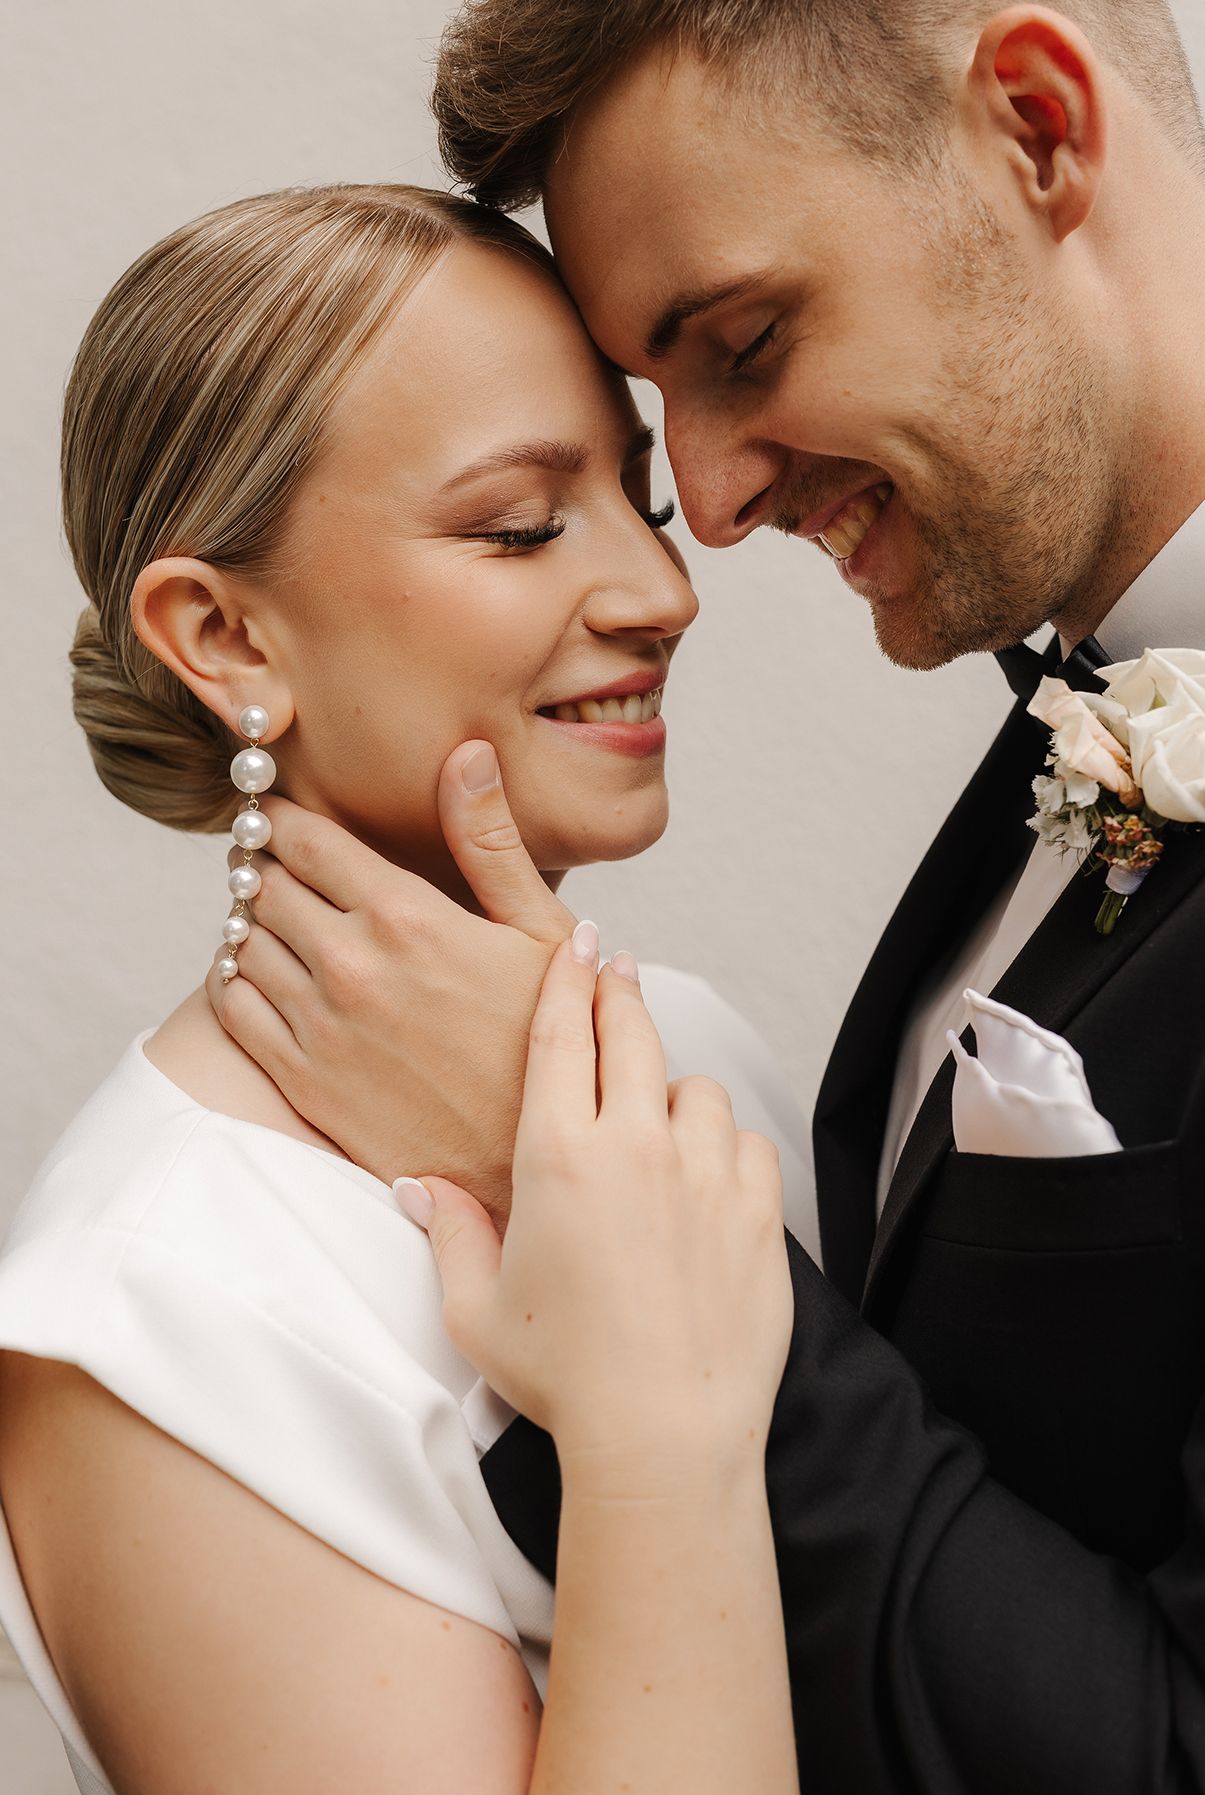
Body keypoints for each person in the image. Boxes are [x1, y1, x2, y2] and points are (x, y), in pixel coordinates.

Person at [198, 2, 1205, 1789]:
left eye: (743, 342)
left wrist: (591, 1211)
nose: (712, 514)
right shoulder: (1079, 707)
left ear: (1040, 129)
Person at [0, 181, 818, 1795]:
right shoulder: (161, 1323)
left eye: (638, 498)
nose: (663, 591)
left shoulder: (694, 1052)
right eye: (519, 525)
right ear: (225, 637)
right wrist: (653, 1434)